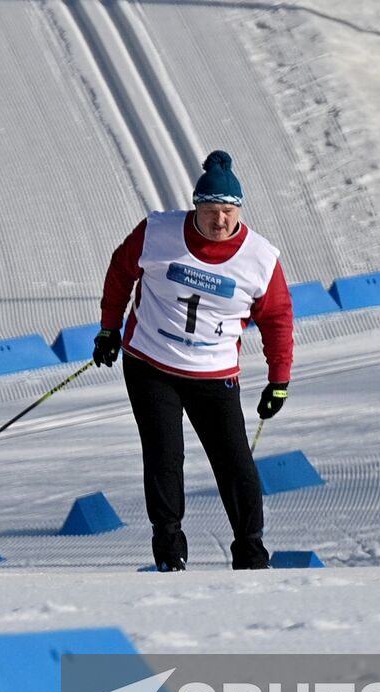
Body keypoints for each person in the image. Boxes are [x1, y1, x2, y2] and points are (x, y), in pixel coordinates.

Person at [94, 150, 294, 572]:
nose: (218, 220)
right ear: (195, 206)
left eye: (226, 211)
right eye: (209, 210)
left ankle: (251, 551)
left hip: (213, 373)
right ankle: (169, 550)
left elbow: (276, 318)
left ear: (238, 210)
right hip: (150, 363)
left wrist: (279, 379)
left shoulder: (260, 258)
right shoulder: (157, 231)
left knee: (234, 461)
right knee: (164, 456)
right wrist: (110, 329)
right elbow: (120, 270)